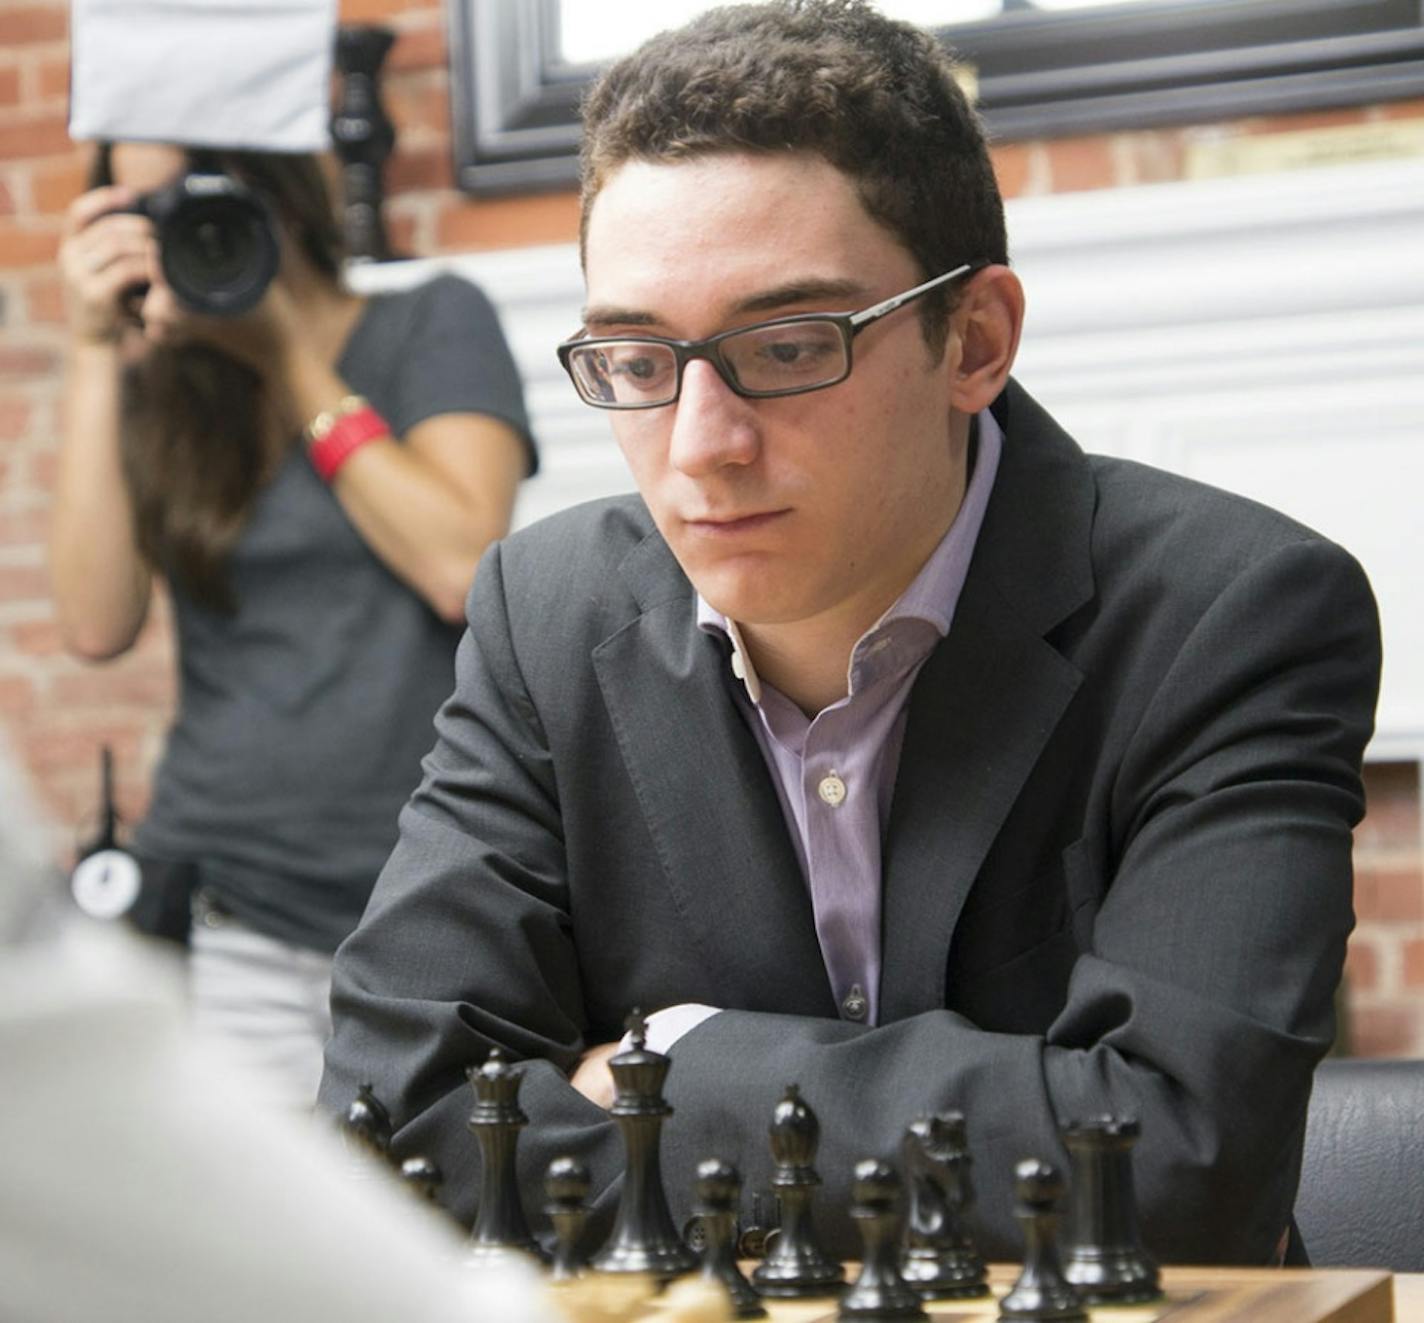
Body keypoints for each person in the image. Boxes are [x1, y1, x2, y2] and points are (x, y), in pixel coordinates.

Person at [319, 0, 1381, 1265]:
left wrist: (691, 1065)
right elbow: (400, 1126)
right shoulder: (545, 618)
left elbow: (1169, 1166)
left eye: (785, 345)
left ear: (972, 341)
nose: (701, 446)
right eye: (634, 357)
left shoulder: (1232, 611)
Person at [51, 141, 535, 1107]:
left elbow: (458, 566)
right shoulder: (173, 391)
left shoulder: (430, 322)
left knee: (445, 1229)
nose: (176, 228)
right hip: (234, 907)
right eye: (141, 207)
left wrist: (288, 360)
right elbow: (95, 623)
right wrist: (96, 351)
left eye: (193, 197)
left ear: (268, 184)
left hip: (428, 906)